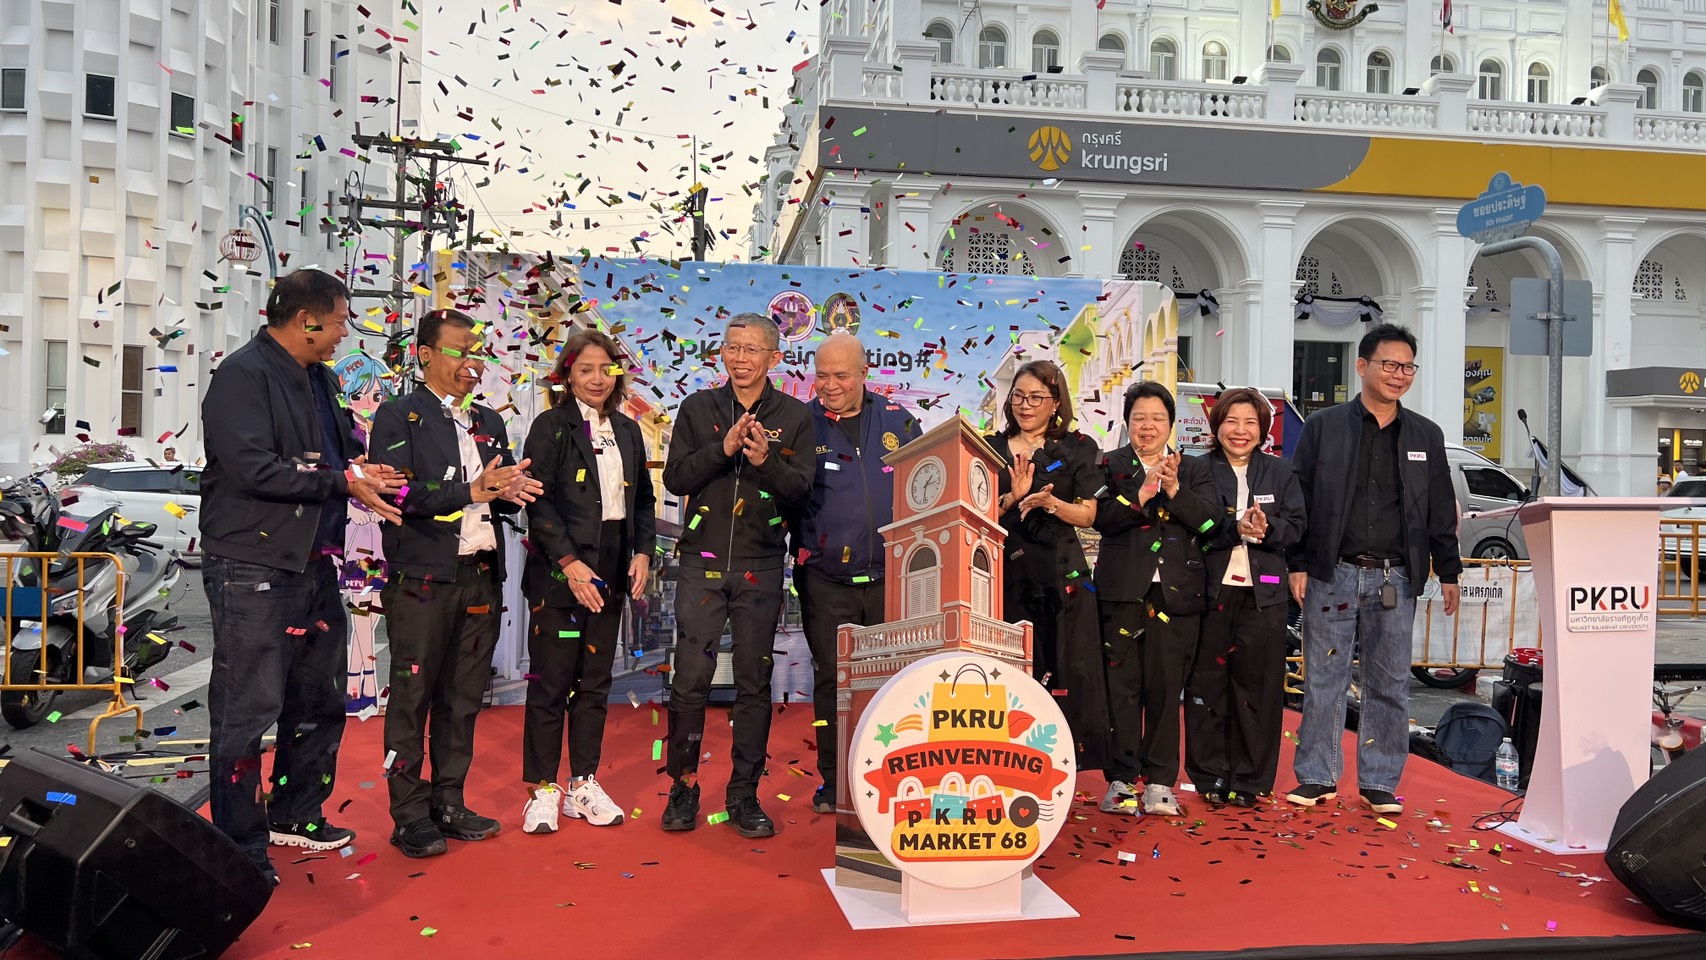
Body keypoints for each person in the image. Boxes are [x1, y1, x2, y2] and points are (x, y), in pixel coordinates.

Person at [200, 268, 404, 885]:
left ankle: (296, 813)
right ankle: (239, 844)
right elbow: (253, 469)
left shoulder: (324, 378)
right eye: (339, 321)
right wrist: (341, 481)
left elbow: (340, 457)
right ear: (306, 319)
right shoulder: (242, 375)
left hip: (315, 561)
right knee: (247, 708)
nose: (345, 333)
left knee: (318, 696)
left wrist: (363, 472)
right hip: (253, 562)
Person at [367, 308, 542, 859]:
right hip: (422, 580)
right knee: (412, 699)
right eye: (461, 351)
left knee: (463, 699)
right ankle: (408, 814)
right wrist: (472, 490)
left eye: (478, 353)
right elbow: (398, 493)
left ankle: (449, 802)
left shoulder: (488, 421)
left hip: (480, 577)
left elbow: (498, 492)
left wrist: (514, 490)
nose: (473, 363)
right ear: (425, 355)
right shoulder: (397, 416)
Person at [1285, 324, 1461, 815]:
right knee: (1324, 678)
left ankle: (1380, 780)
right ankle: (1317, 776)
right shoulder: (1324, 426)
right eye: (1389, 364)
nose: (1399, 375)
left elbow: (1440, 507)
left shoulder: (1426, 434)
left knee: (1390, 683)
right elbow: (1300, 498)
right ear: (1362, 366)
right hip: (1332, 573)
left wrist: (1449, 571)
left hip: (1396, 578)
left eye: (1407, 367)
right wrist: (1297, 563)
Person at [661, 313, 814, 838]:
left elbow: (802, 492)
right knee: (690, 682)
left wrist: (767, 461)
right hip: (700, 567)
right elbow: (676, 478)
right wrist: (721, 450)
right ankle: (682, 789)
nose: (740, 358)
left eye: (752, 350)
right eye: (732, 348)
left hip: (761, 568)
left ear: (774, 357)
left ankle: (744, 794)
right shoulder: (697, 407)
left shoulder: (794, 416)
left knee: (754, 684)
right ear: (722, 353)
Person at [518, 328, 658, 834]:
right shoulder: (550, 426)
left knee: (595, 684)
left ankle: (582, 783)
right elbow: (537, 500)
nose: (598, 379)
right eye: (586, 369)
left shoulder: (628, 430)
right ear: (568, 375)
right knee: (551, 683)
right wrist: (569, 563)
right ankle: (542, 790)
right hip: (560, 576)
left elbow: (643, 500)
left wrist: (643, 551)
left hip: (613, 571)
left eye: (606, 369)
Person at [795, 333, 921, 814]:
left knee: (893, 679)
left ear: (865, 374)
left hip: (892, 576)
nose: (829, 385)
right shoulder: (801, 423)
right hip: (825, 579)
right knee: (833, 681)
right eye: (821, 375)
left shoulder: (898, 419)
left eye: (841, 376)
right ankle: (834, 780)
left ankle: (893, 773)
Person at [1091, 381, 1217, 817]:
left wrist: (1175, 490)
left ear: (1171, 424)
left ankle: (1161, 781)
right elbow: (1100, 520)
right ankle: (1121, 780)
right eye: (1139, 418)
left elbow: (1211, 523)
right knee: (1121, 689)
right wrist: (1142, 493)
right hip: (1121, 592)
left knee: (1166, 689)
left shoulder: (1195, 469)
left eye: (1157, 418)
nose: (1148, 426)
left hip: (1176, 595)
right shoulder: (1109, 465)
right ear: (1127, 422)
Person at [1182, 388, 1306, 808]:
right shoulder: (1196, 469)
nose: (1240, 431)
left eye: (1250, 422)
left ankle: (1250, 780)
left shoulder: (1280, 471)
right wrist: (1235, 527)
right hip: (1209, 590)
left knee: (1260, 687)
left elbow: (1297, 525)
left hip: (1264, 593)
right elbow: (1191, 522)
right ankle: (1210, 775)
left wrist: (1268, 529)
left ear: (1263, 429)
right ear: (1217, 426)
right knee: (1207, 685)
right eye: (1231, 421)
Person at [987, 360, 1110, 777]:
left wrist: (1051, 504)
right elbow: (977, 511)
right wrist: (1012, 499)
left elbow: (1089, 514)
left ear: (1056, 402)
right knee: (1010, 669)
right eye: (1019, 396)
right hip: (1003, 573)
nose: (1025, 405)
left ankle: (1060, 761)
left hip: (1061, 576)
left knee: (1066, 666)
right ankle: (1005, 758)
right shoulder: (990, 447)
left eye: (1036, 397)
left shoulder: (1078, 447)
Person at [333, 352, 396, 715]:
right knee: (361, 607)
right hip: (356, 527)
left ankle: (359, 686)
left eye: (376, 395)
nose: (368, 403)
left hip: (379, 526)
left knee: (370, 612)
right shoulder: (344, 434)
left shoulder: (385, 431)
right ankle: (363, 687)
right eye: (358, 396)